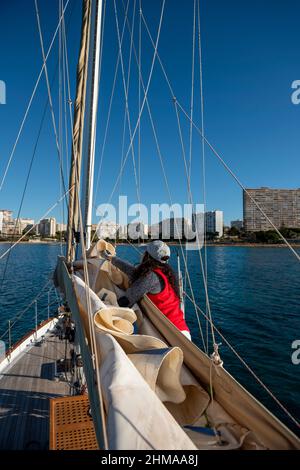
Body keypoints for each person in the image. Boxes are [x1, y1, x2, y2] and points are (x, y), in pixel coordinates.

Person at [103, 240, 191, 340]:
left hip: (173, 334)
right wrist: (112, 259)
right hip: (182, 331)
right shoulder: (166, 273)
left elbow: (127, 300)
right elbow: (132, 271)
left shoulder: (151, 277)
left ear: (147, 256)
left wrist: (105, 308)